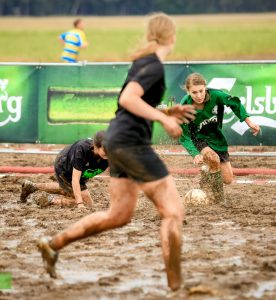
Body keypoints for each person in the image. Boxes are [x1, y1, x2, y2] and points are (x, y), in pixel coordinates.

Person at [37, 13, 196, 292]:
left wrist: (168, 111)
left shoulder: (142, 62)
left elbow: (130, 108)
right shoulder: (154, 66)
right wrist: (163, 120)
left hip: (117, 143)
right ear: (172, 36)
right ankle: (177, 289)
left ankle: (53, 245)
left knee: (118, 216)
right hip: (132, 145)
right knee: (173, 212)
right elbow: (127, 99)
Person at [179, 73, 260, 204]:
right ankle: (219, 199)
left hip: (216, 138)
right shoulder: (184, 107)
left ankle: (207, 171)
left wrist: (249, 122)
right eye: (194, 92)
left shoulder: (216, 95)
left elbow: (235, 103)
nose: (199, 95)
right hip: (198, 138)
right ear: (188, 91)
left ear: (205, 87)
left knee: (228, 179)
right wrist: (194, 154)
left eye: (201, 91)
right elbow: (184, 136)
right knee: (213, 158)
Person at [21, 131, 108, 208]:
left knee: (71, 192)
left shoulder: (111, 153)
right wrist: (80, 204)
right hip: (65, 168)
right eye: (105, 149)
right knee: (86, 203)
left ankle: (33, 187)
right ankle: (49, 200)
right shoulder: (82, 150)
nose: (109, 152)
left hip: (80, 171)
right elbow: (75, 179)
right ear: (96, 146)